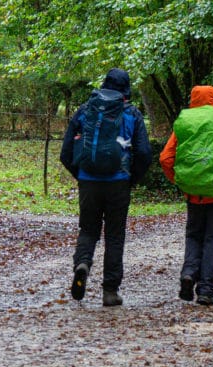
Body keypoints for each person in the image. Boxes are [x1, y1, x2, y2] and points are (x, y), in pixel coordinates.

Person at [60, 68, 152, 306]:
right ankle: (110, 291)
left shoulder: (85, 110)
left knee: (88, 230)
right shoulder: (131, 113)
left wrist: (80, 174)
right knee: (114, 236)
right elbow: (143, 153)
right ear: (126, 89)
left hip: (88, 181)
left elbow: (65, 152)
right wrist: (132, 179)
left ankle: (82, 264)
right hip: (118, 183)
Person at [160, 85, 213, 306]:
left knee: (194, 235)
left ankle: (189, 272)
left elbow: (166, 158)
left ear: (193, 100)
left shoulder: (184, 125)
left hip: (193, 192)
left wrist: (181, 181)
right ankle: (206, 290)